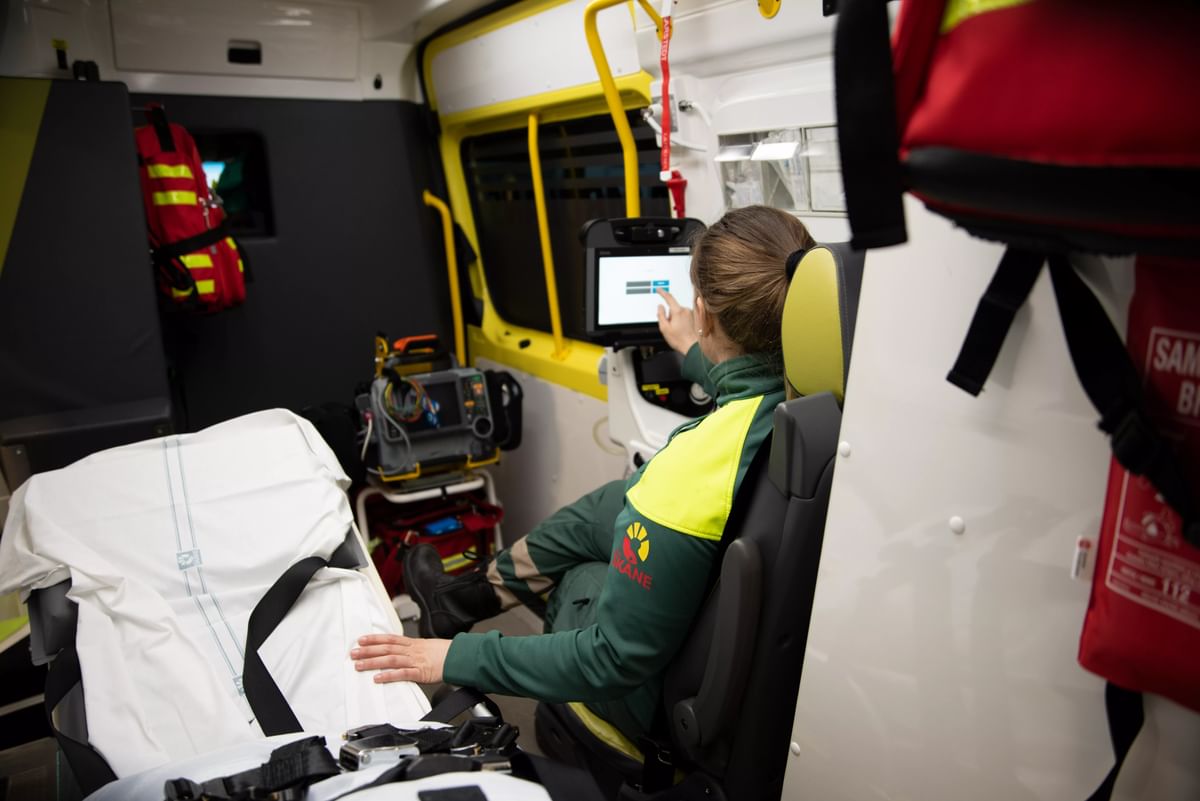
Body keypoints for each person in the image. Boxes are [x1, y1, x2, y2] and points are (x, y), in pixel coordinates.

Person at [351, 205, 815, 742]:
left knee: (576, 577)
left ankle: (464, 625)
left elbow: (612, 658)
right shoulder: (815, 388)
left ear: (705, 312)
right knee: (607, 505)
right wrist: (691, 348)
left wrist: (453, 658)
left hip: (653, 705)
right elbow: (746, 378)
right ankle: (462, 599)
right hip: (754, 626)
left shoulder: (686, 475)